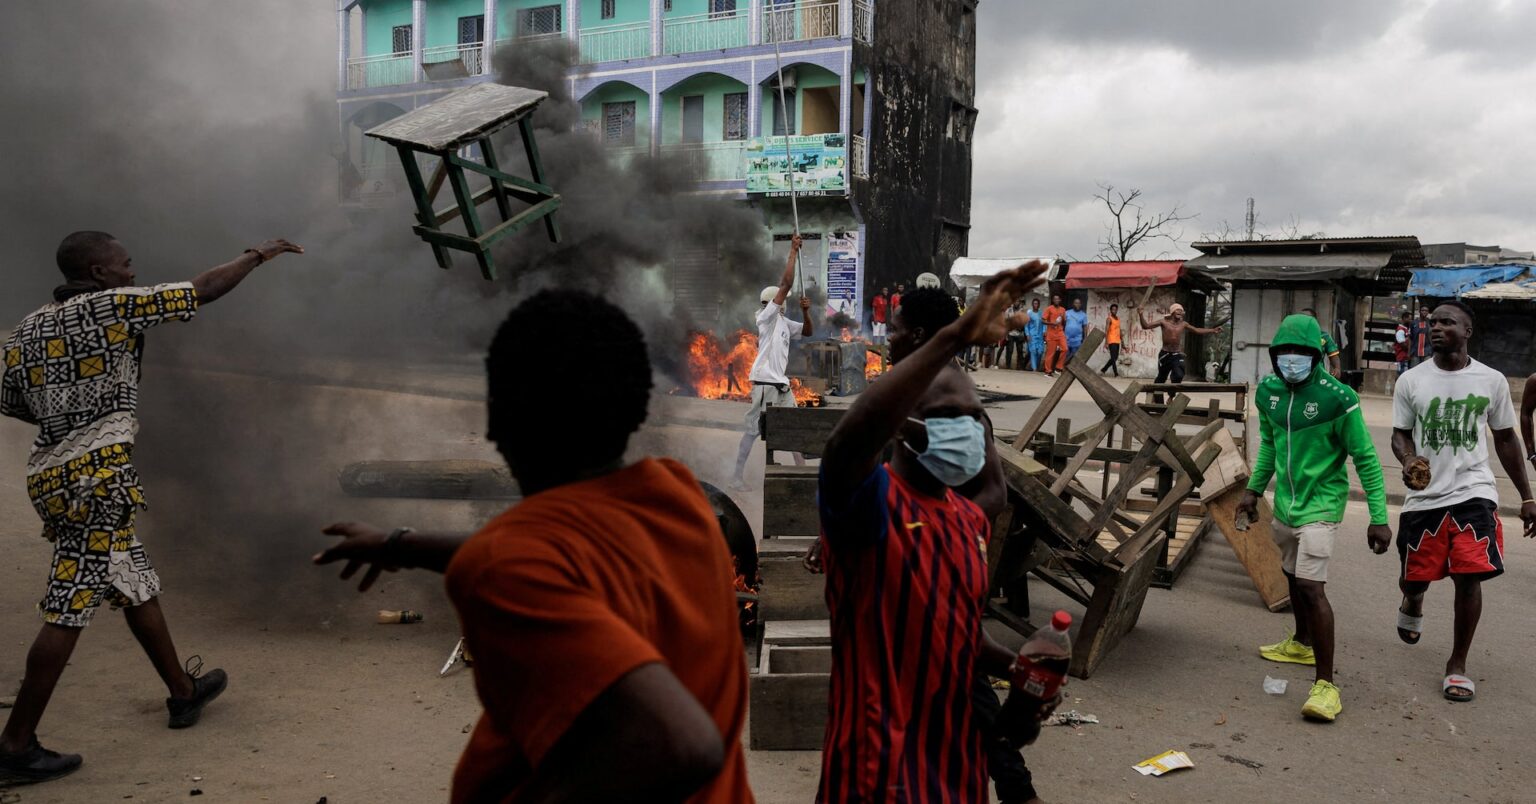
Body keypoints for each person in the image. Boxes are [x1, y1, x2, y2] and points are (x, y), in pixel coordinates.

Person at [314, 290, 752, 802]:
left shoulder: (514, 564)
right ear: (635, 413)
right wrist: (401, 545)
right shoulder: (681, 499)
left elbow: (687, 745)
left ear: (500, 423)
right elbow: (551, 554)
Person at [0, 231, 303, 785]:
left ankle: (182, 694)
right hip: (96, 481)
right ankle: (14, 747)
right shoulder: (110, 306)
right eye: (125, 264)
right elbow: (200, 291)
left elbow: (8, 398)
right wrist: (258, 256)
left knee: (132, 577)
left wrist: (67, 419)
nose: (133, 272)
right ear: (97, 272)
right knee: (69, 605)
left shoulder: (27, 328)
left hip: (52, 473)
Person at [813, 264, 1053, 803]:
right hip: (877, 775)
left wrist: (1019, 670)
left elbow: (957, 633)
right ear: (903, 425)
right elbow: (844, 449)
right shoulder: (872, 507)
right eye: (948, 415)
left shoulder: (967, 522)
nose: (965, 430)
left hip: (956, 774)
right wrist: (952, 337)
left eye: (973, 419)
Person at [1235, 314, 1391, 723]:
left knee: (1310, 585)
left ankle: (1326, 686)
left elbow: (1366, 459)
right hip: (1286, 504)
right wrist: (1253, 491)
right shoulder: (1268, 391)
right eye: (1283, 353)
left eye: (1300, 354)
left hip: (1322, 504)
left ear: (1316, 356)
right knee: (1290, 573)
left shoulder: (1338, 398)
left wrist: (1379, 516)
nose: (1291, 361)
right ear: (1273, 356)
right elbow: (1269, 445)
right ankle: (1302, 642)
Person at [1391, 301, 1536, 703]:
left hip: (1475, 490)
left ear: (1467, 331)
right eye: (1432, 321)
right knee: (1414, 576)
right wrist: (1407, 459)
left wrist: (1527, 496)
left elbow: (1506, 438)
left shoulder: (1490, 380)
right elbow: (1400, 434)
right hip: (1425, 497)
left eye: (1447, 322)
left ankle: (1457, 665)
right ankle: (1413, 598)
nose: (1436, 327)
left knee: (1468, 574)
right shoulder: (1412, 381)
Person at [730, 235, 812, 490]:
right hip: (765, 384)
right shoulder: (765, 317)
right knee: (752, 431)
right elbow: (786, 284)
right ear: (770, 304)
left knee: (793, 429)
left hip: (782, 386)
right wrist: (792, 251)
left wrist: (807, 312)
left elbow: (808, 332)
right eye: (778, 300)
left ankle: (804, 477)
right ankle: (736, 478)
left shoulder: (785, 323)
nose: (781, 303)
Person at [1134, 299, 1222, 386]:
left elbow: (1197, 330)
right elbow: (1146, 326)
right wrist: (1141, 314)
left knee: (1178, 375)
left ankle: (1171, 396)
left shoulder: (1183, 324)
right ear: (1172, 312)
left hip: (1177, 354)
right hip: (1164, 354)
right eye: (1178, 310)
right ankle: (1156, 395)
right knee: (1161, 378)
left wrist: (1212, 330)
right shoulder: (1163, 322)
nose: (1180, 312)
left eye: (1181, 311)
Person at [1299, 307, 1343, 376]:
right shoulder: (1294, 335)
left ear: (1314, 320)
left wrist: (1337, 368)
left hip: (1318, 376)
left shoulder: (1324, 336)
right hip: (1297, 374)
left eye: (1307, 318)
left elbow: (1333, 355)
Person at [1041, 294, 1068, 376]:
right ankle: (1048, 371)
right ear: (1053, 300)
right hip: (1051, 333)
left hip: (1060, 332)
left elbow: (1064, 320)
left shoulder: (1063, 310)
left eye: (1058, 299)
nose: (1056, 300)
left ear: (1060, 300)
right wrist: (1051, 323)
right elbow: (1042, 321)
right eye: (1055, 299)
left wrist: (1064, 325)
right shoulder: (1049, 309)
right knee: (1050, 353)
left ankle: (1058, 368)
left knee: (1065, 349)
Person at [1101, 303, 1123, 376]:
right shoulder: (1109, 319)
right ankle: (1116, 374)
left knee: (1115, 358)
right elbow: (1106, 330)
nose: (1114, 311)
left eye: (1115, 310)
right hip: (1111, 340)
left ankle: (1104, 369)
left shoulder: (1118, 319)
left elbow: (1119, 330)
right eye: (1113, 309)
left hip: (1117, 341)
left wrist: (1122, 342)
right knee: (1113, 358)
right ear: (1110, 310)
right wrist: (1106, 342)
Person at [1063, 297, 1088, 362]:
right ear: (1073, 304)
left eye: (1079, 303)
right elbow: (1063, 324)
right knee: (1066, 353)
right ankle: (1062, 368)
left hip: (1077, 339)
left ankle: (1066, 369)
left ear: (1080, 304)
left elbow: (1085, 326)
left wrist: (1085, 337)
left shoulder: (1083, 315)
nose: (1077, 304)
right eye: (1076, 303)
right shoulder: (1067, 312)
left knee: (1074, 355)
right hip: (1066, 338)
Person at [1024, 298, 1046, 371]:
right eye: (1034, 303)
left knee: (1040, 351)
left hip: (1040, 336)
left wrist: (1044, 331)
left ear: (1039, 305)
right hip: (1032, 335)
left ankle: (1037, 366)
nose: (1036, 305)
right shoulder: (1029, 313)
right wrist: (1027, 334)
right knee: (1033, 351)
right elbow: (1026, 325)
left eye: (1037, 303)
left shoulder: (1041, 313)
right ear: (1032, 304)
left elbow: (1044, 323)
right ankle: (1034, 368)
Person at [1393, 310, 1412, 376]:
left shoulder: (1406, 329)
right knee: (1402, 375)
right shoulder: (1400, 330)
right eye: (1409, 319)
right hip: (1402, 357)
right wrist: (1410, 348)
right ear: (1404, 318)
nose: (1410, 321)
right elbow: (1403, 345)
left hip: (1405, 358)